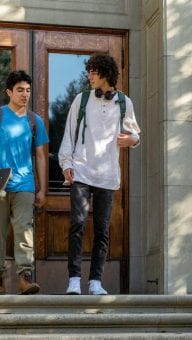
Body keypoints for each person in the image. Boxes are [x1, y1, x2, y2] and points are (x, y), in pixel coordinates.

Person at [59, 54, 141, 295]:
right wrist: (66, 164)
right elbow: (69, 134)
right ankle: (74, 279)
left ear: (106, 73)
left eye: (94, 71)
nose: (90, 76)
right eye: (89, 72)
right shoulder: (81, 99)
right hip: (82, 170)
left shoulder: (125, 102)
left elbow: (136, 134)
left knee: (102, 229)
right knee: (78, 224)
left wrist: (131, 140)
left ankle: (96, 281)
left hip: (107, 175)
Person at [0, 70, 49, 294]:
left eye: (28, 90)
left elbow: (40, 155)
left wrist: (42, 189)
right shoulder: (0, 115)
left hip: (24, 185)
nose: (25, 94)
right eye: (20, 90)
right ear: (9, 92)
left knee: (24, 230)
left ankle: (24, 278)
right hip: (0, 184)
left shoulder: (34, 120)